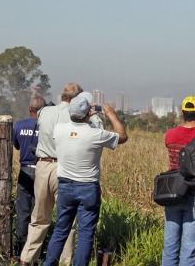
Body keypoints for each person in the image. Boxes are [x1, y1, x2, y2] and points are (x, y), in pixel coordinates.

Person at [43, 92, 128, 266]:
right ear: (89, 113)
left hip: (65, 186)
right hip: (88, 187)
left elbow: (71, 131)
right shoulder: (95, 134)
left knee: (60, 230)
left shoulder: (59, 129)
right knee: (86, 234)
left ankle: (49, 263)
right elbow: (123, 136)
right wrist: (111, 114)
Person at [20, 83, 83, 265]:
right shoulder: (74, 115)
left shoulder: (44, 112)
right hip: (64, 167)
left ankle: (26, 259)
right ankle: (64, 261)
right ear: (76, 99)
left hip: (42, 166)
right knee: (68, 220)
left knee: (38, 217)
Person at [162, 96, 195, 266]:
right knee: (189, 246)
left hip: (172, 190)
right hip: (194, 192)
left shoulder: (170, 134)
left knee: (170, 244)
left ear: (181, 112)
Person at [12, 95, 46, 254]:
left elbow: (16, 146)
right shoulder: (49, 127)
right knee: (38, 212)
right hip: (43, 170)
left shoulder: (19, 125)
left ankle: (20, 248)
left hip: (25, 170)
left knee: (22, 210)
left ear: (29, 108)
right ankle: (37, 250)